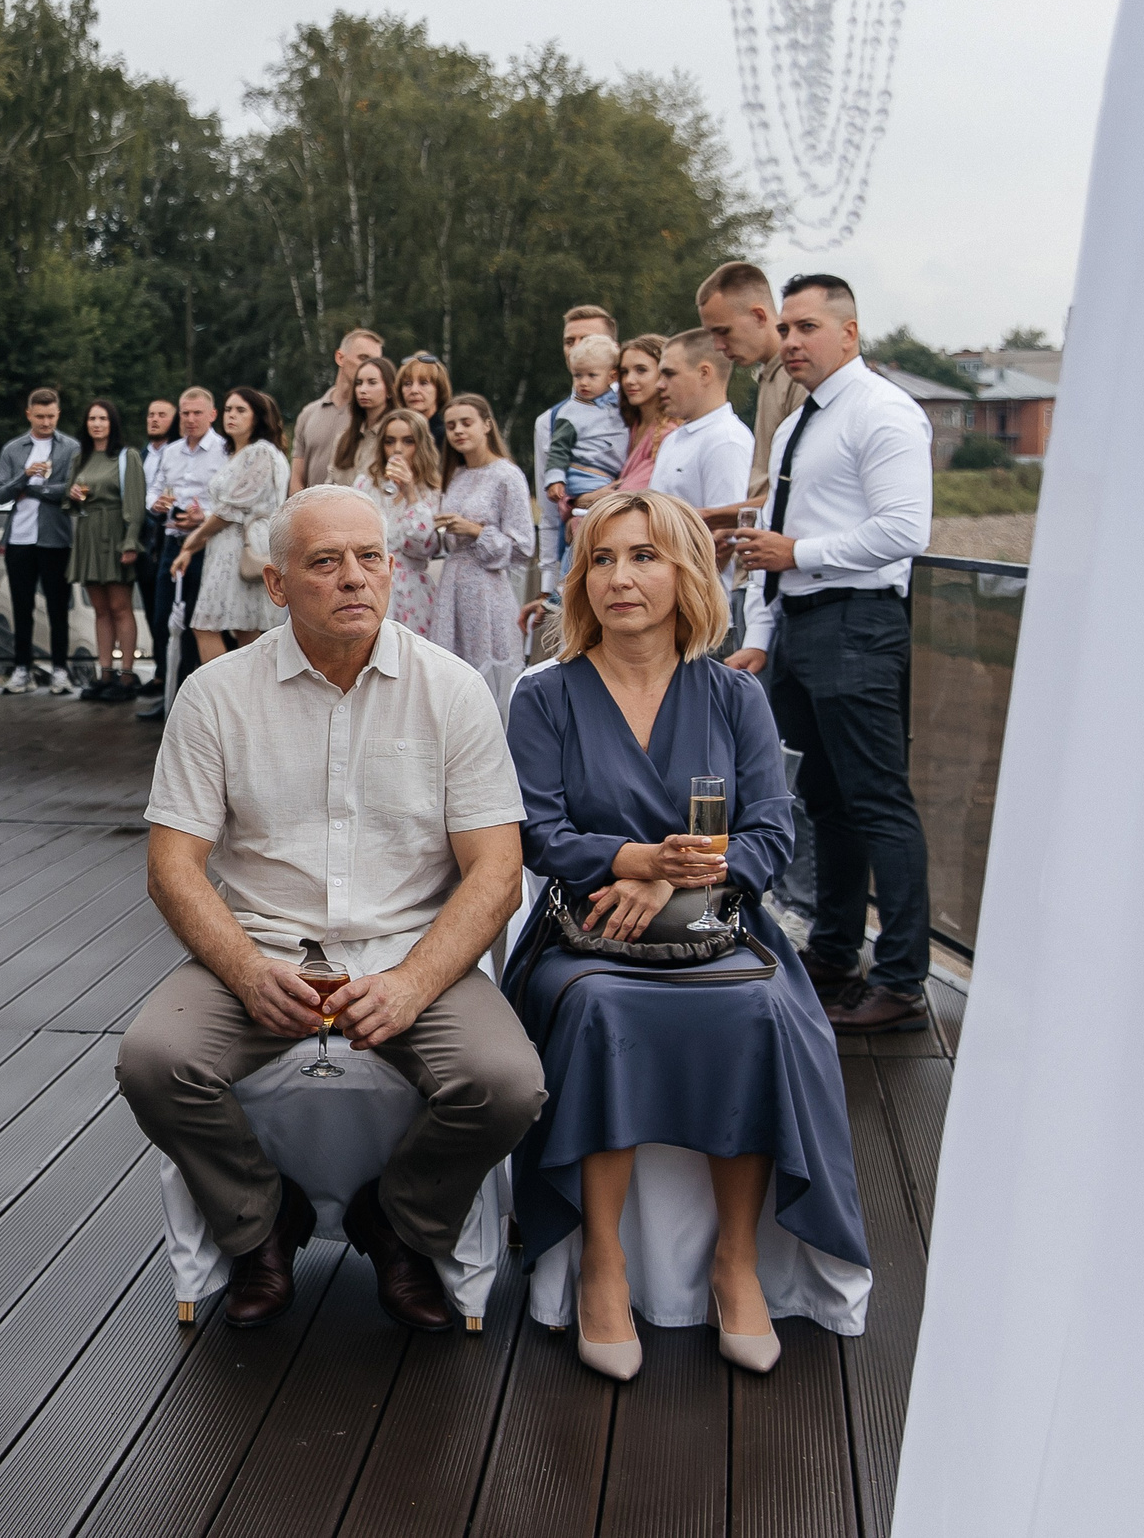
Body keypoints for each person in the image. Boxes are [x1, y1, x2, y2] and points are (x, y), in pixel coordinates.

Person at [120, 483, 542, 1331]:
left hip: (408, 949)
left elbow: (497, 871)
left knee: (506, 1084)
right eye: (325, 562)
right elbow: (173, 868)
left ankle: (399, 1220)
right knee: (153, 1060)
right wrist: (243, 969)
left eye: (370, 557)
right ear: (276, 586)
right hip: (264, 945)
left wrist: (415, 982)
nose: (355, 577)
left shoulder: (451, 689)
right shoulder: (217, 695)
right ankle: (259, 1222)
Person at [504, 491, 867, 1381]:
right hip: (585, 938)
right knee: (596, 1011)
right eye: (602, 558)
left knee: (763, 1011)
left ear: (686, 572)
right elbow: (537, 833)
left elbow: (773, 834)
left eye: (644, 556)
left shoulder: (736, 694)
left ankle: (735, 1263)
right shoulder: (544, 695)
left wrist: (672, 873)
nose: (621, 577)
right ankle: (603, 1262)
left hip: (717, 931)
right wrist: (634, 856)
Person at [728, 275, 936, 1035]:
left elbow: (906, 529)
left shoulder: (883, 412)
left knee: (878, 799)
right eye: (784, 328)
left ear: (849, 333)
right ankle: (837, 950)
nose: (790, 342)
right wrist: (760, 636)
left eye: (806, 327)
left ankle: (904, 979)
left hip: (858, 623)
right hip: (800, 627)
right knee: (825, 800)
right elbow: (771, 546)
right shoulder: (794, 428)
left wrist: (799, 551)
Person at [431, 393, 536, 710]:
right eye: (451, 426)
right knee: (451, 670)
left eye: (466, 423)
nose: (458, 431)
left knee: (487, 673)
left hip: (488, 588)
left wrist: (476, 531)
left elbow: (524, 547)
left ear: (487, 425)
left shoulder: (507, 475)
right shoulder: (457, 475)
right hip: (453, 583)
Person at [175, 387, 291, 661]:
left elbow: (231, 509)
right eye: (228, 409)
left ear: (256, 417)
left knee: (207, 625)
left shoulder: (260, 452)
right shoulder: (239, 453)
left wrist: (193, 541)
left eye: (241, 410)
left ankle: (223, 698)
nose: (231, 416)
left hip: (243, 546)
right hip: (228, 546)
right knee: (246, 632)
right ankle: (247, 698)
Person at [137, 387, 230, 719]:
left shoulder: (224, 450)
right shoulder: (171, 451)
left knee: (198, 623)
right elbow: (153, 488)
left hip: (208, 546)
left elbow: (231, 501)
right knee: (162, 620)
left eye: (197, 413)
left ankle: (196, 702)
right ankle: (171, 694)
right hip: (172, 543)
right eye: (185, 413)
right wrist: (157, 504)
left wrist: (203, 517)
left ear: (212, 415)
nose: (190, 420)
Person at [696, 261, 810, 523]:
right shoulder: (770, 374)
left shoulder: (799, 379)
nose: (717, 345)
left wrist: (711, 517)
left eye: (723, 331)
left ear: (759, 316)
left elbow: (800, 488)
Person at [649, 330, 757, 603]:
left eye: (669, 374)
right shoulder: (674, 439)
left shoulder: (726, 440)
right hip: (670, 599)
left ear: (705, 373)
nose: (659, 385)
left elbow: (724, 542)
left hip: (705, 608)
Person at [0, 386, 81, 694]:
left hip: (55, 538)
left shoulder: (71, 448)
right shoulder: (13, 449)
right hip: (18, 539)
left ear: (58, 414)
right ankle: (22, 669)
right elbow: (1, 493)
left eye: (51, 416)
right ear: (29, 414)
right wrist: (24, 477)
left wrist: (33, 489)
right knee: (21, 606)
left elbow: (71, 489)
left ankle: (60, 670)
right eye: (40, 417)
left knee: (59, 607)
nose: (46, 423)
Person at [65, 397, 146, 702]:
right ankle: (105, 673)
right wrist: (72, 495)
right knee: (99, 609)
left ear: (112, 423)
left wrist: (130, 540)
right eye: (92, 419)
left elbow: (136, 503)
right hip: (88, 534)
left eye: (102, 419)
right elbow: (69, 501)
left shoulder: (127, 457)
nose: (97, 424)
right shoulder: (80, 458)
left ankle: (126, 675)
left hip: (115, 533)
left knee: (120, 607)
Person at [535, 305, 619, 586]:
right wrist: (546, 583)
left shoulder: (634, 408)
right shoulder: (552, 420)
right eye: (569, 341)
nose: (576, 348)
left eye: (587, 340)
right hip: (577, 547)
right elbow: (548, 511)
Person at [352, 406, 448, 640]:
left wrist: (411, 493)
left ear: (421, 445)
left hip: (410, 593)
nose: (397, 449)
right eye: (389, 441)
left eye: (407, 441)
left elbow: (424, 548)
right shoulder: (366, 484)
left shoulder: (434, 491)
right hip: (366, 583)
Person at [286, 325, 386, 492]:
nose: (370, 366)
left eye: (376, 361)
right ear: (340, 357)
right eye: (363, 358)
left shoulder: (373, 418)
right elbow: (296, 477)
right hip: (310, 510)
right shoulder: (309, 413)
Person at [542, 334, 629, 526]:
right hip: (586, 475)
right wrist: (555, 479)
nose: (583, 382)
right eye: (577, 375)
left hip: (613, 474)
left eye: (592, 375)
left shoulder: (622, 405)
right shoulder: (570, 412)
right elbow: (558, 448)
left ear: (612, 376)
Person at [135, 396, 178, 696]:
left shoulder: (178, 453)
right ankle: (161, 672)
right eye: (151, 414)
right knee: (152, 607)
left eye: (162, 415)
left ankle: (171, 675)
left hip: (173, 535)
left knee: (170, 610)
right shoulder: (138, 455)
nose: (154, 419)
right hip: (144, 538)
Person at [611, 333, 677, 493]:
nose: (629, 380)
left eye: (641, 370)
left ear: (664, 374)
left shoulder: (668, 434)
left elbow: (629, 494)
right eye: (624, 372)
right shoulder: (623, 424)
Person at [327, 353, 401, 488]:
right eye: (358, 383)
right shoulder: (344, 438)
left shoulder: (398, 438)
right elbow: (330, 484)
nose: (363, 390)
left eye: (372, 383)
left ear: (390, 389)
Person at [398, 350, 453, 454]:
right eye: (407, 384)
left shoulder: (447, 437)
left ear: (439, 388)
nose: (414, 390)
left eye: (423, 383)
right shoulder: (396, 435)